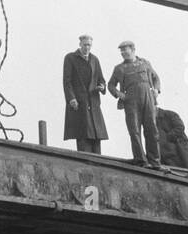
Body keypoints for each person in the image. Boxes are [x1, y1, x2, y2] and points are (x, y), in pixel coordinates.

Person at [107, 41, 161, 169]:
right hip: (131, 101)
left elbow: (156, 78)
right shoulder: (119, 68)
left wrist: (156, 90)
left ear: (133, 49)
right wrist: (119, 94)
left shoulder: (145, 63)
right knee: (134, 131)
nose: (123, 53)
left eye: (125, 50)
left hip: (148, 99)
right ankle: (142, 161)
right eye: (121, 51)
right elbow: (111, 85)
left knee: (152, 129)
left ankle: (155, 162)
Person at [62, 34, 108, 154]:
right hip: (79, 102)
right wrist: (71, 98)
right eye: (85, 45)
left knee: (96, 135)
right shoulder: (70, 58)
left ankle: (99, 165)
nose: (87, 47)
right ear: (80, 44)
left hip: (93, 103)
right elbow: (67, 81)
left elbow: (101, 79)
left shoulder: (94, 60)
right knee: (83, 134)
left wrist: (102, 86)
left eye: (89, 45)